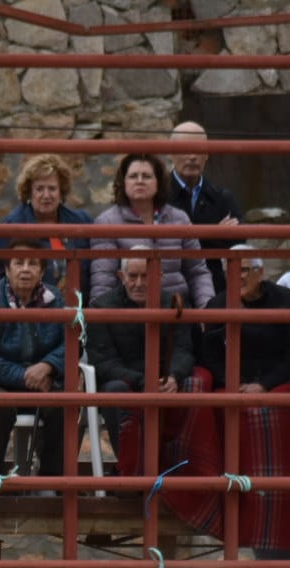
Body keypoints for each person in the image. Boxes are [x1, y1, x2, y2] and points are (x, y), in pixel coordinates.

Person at [201, 247, 290, 568]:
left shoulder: (286, 302)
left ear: (262, 272)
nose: (240, 277)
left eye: (246, 270)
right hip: (244, 417)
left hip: (275, 403)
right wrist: (236, 387)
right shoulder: (215, 306)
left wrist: (263, 386)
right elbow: (210, 357)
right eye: (233, 271)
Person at [87, 253, 194, 448]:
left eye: (146, 276)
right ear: (121, 276)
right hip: (125, 379)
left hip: (165, 379)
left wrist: (173, 376)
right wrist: (144, 382)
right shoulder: (101, 307)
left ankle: (181, 464)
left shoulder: (173, 303)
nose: (139, 283)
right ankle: (128, 469)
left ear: (159, 277)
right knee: (115, 391)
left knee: (196, 384)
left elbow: (184, 349)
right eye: (133, 276)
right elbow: (104, 363)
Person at [88, 152, 214, 310]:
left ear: (158, 182)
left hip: (176, 311)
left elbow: (197, 272)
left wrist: (207, 311)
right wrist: (102, 322)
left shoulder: (180, 219)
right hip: (129, 316)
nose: (139, 181)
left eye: (146, 176)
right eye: (133, 176)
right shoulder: (106, 223)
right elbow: (103, 281)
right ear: (124, 182)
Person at [0, 242, 69, 477]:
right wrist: (25, 376)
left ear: (42, 271)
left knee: (63, 406)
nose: (25, 269)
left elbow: (73, 342)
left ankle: (50, 480)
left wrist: (48, 366)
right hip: (2, 382)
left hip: (45, 380)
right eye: (18, 263)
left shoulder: (55, 299)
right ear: (7, 270)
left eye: (33, 263)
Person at [0, 153, 94, 287]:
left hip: (78, 304)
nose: (46, 195)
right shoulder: (10, 227)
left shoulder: (81, 221)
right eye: (39, 189)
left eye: (52, 188)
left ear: (61, 191)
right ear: (29, 192)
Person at [167, 121, 243, 292]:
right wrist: (215, 233)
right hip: (168, 288)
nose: (193, 156)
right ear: (170, 152)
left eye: (199, 148)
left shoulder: (222, 198)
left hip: (213, 289)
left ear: (207, 153)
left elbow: (237, 241)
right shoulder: (158, 196)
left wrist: (187, 236)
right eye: (185, 148)